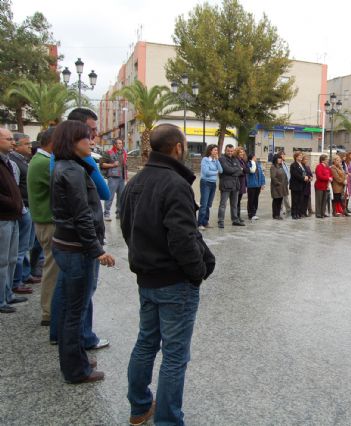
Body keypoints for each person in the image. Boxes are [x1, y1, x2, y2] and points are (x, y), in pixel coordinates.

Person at [120, 124, 215, 425]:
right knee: (174, 355)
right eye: (185, 145)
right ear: (177, 148)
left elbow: (128, 229)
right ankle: (168, 419)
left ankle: (139, 408)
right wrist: (196, 272)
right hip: (174, 281)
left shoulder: (136, 181)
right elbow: (182, 238)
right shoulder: (175, 183)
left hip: (148, 278)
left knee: (146, 342)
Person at [50, 120, 115, 383]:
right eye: (86, 138)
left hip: (69, 246)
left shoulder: (71, 166)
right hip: (76, 249)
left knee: (71, 308)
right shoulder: (72, 171)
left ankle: (76, 358)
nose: (91, 141)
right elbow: (82, 215)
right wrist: (96, 250)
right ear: (72, 142)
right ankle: (75, 370)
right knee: (75, 311)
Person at [27, 128, 58, 322]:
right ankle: (49, 312)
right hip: (49, 222)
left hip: (45, 221)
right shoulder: (44, 163)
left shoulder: (40, 161)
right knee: (52, 268)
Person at [0, 128, 27, 314]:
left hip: (13, 216)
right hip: (3, 217)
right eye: (8, 139)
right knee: (2, 260)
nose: (13, 142)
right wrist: (12, 202)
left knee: (10, 258)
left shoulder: (7, 162)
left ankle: (8, 293)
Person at [9, 133, 36, 295]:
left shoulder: (23, 160)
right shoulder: (14, 162)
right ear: (16, 146)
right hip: (23, 208)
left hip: (27, 207)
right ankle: (16, 281)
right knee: (20, 248)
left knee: (27, 246)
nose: (29, 147)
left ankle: (25, 275)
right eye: (26, 144)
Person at [217, 144, 245, 228]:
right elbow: (226, 169)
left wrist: (234, 171)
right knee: (223, 204)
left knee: (234, 204)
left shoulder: (235, 158)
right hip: (226, 185)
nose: (230, 152)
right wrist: (235, 170)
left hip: (235, 185)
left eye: (231, 151)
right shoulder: (222, 159)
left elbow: (240, 171)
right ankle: (220, 221)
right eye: (228, 151)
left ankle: (235, 220)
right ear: (225, 151)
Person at [101, 139, 127, 221]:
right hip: (112, 178)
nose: (121, 144)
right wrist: (112, 164)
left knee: (121, 196)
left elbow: (124, 165)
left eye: (121, 143)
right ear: (115, 145)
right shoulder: (108, 152)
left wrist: (125, 175)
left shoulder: (124, 153)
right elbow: (102, 164)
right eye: (119, 143)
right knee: (110, 196)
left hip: (122, 178)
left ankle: (119, 214)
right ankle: (106, 214)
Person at [198, 145, 222, 229]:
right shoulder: (205, 160)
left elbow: (221, 170)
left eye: (217, 150)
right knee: (204, 204)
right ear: (210, 151)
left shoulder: (215, 161)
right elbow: (206, 172)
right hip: (205, 183)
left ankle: (205, 222)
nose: (216, 152)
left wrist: (217, 160)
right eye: (215, 150)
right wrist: (215, 172)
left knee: (209, 204)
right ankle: (200, 223)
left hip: (213, 184)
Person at [289, 152, 307, 220]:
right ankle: (294, 214)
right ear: (296, 157)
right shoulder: (293, 165)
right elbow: (295, 174)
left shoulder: (302, 165)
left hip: (302, 185)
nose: (301, 157)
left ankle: (298, 213)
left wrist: (307, 177)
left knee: (300, 200)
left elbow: (304, 172)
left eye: (301, 156)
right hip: (295, 185)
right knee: (295, 200)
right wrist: (303, 178)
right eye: (299, 156)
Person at [246, 154, 265, 220]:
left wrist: (263, 183)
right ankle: (250, 214)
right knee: (251, 200)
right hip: (251, 185)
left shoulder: (258, 164)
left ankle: (254, 213)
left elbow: (262, 174)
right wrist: (252, 163)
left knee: (256, 200)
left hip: (258, 185)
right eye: (254, 157)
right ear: (251, 158)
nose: (256, 158)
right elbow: (250, 172)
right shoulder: (249, 164)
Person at [235, 147, 249, 221]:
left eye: (243, 152)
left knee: (239, 201)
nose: (242, 154)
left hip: (242, 183)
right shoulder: (236, 160)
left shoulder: (243, 161)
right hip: (238, 182)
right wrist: (243, 170)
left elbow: (247, 170)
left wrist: (243, 169)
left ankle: (238, 216)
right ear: (237, 153)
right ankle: (236, 216)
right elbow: (238, 172)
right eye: (240, 152)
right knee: (236, 201)